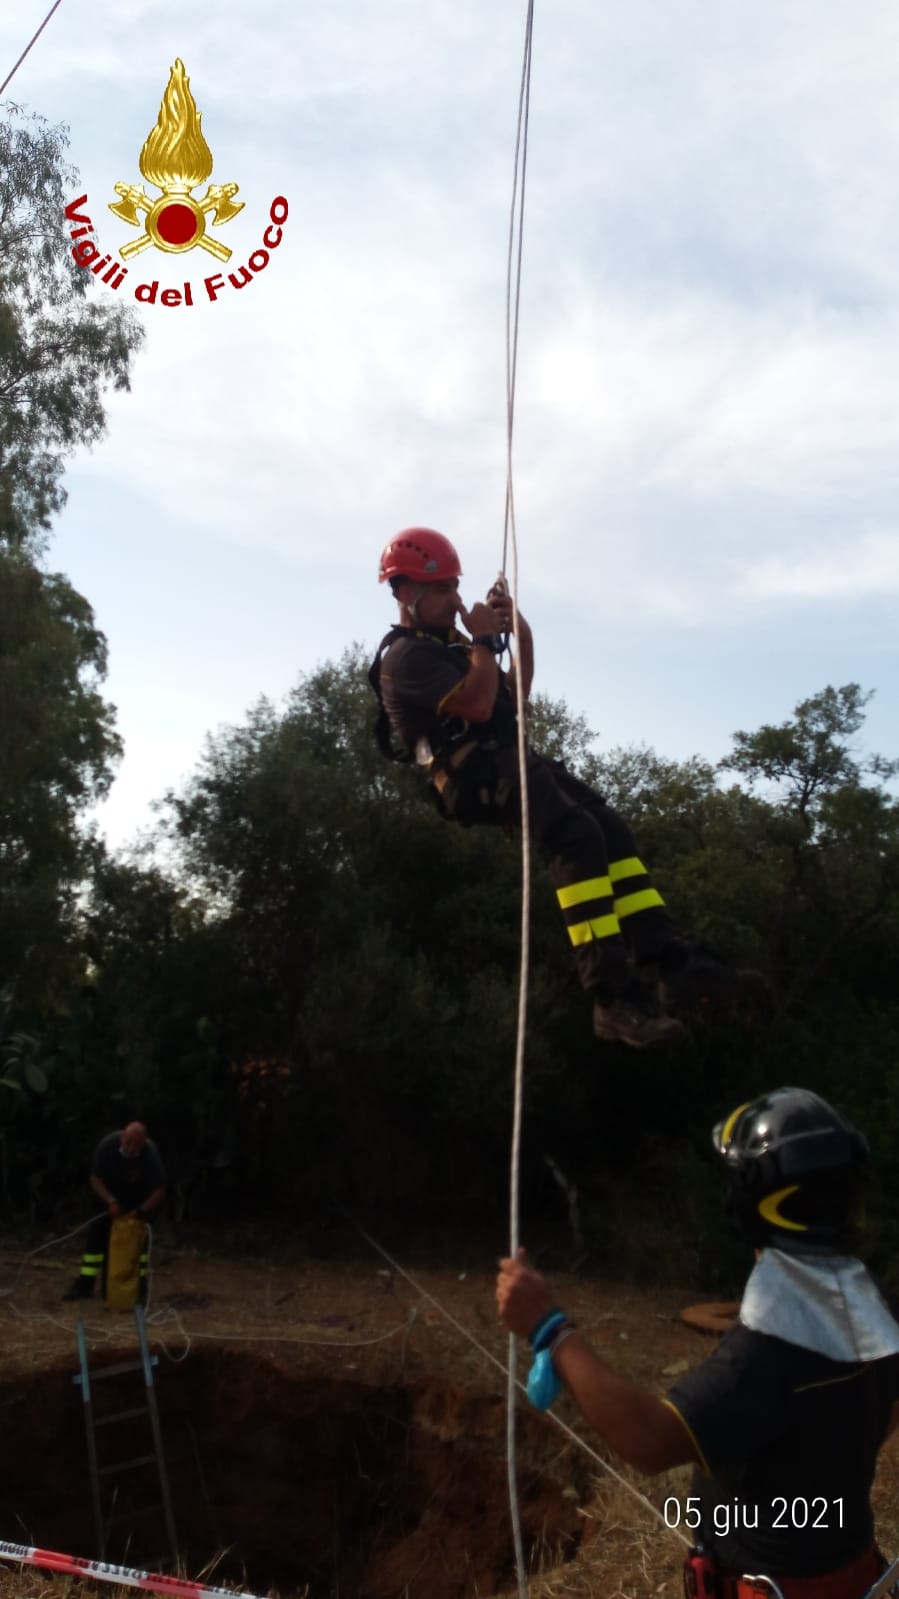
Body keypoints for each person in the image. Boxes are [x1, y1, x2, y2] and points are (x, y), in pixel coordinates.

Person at [496, 1087, 899, 1599]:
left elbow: (648, 1440)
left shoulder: (769, 1348)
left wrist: (549, 1329)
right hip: (854, 1578)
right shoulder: (877, 1304)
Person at [370, 527, 763, 1047]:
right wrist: (485, 641)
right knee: (576, 836)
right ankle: (612, 999)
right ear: (404, 592)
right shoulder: (405, 660)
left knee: (609, 828)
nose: (454, 600)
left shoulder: (452, 650)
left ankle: (671, 960)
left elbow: (515, 694)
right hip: (472, 778)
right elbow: (481, 706)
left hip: (505, 761)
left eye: (453, 587)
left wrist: (518, 632)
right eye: (442, 590)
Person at [63, 1122, 166, 1301]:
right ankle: (85, 1285)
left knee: (137, 1246)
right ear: (122, 1137)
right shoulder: (107, 1146)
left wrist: (140, 1211)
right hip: (107, 1197)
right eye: (128, 1143)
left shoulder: (150, 1153)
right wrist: (110, 1201)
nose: (131, 1149)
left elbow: (159, 1189)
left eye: (136, 1146)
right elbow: (95, 1179)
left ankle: (138, 1287)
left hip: (137, 1200)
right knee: (96, 1242)